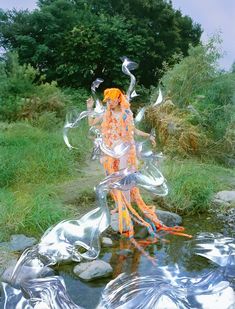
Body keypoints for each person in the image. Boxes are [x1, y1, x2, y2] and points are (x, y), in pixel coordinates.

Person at [87, 88, 189, 244]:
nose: (108, 103)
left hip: (123, 150)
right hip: (109, 150)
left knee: (123, 178)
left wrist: (149, 135)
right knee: (111, 178)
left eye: (110, 100)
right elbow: (92, 123)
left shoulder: (126, 114)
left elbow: (133, 131)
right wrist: (89, 108)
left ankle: (125, 207)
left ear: (118, 99)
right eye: (106, 100)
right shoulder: (106, 114)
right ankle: (118, 204)